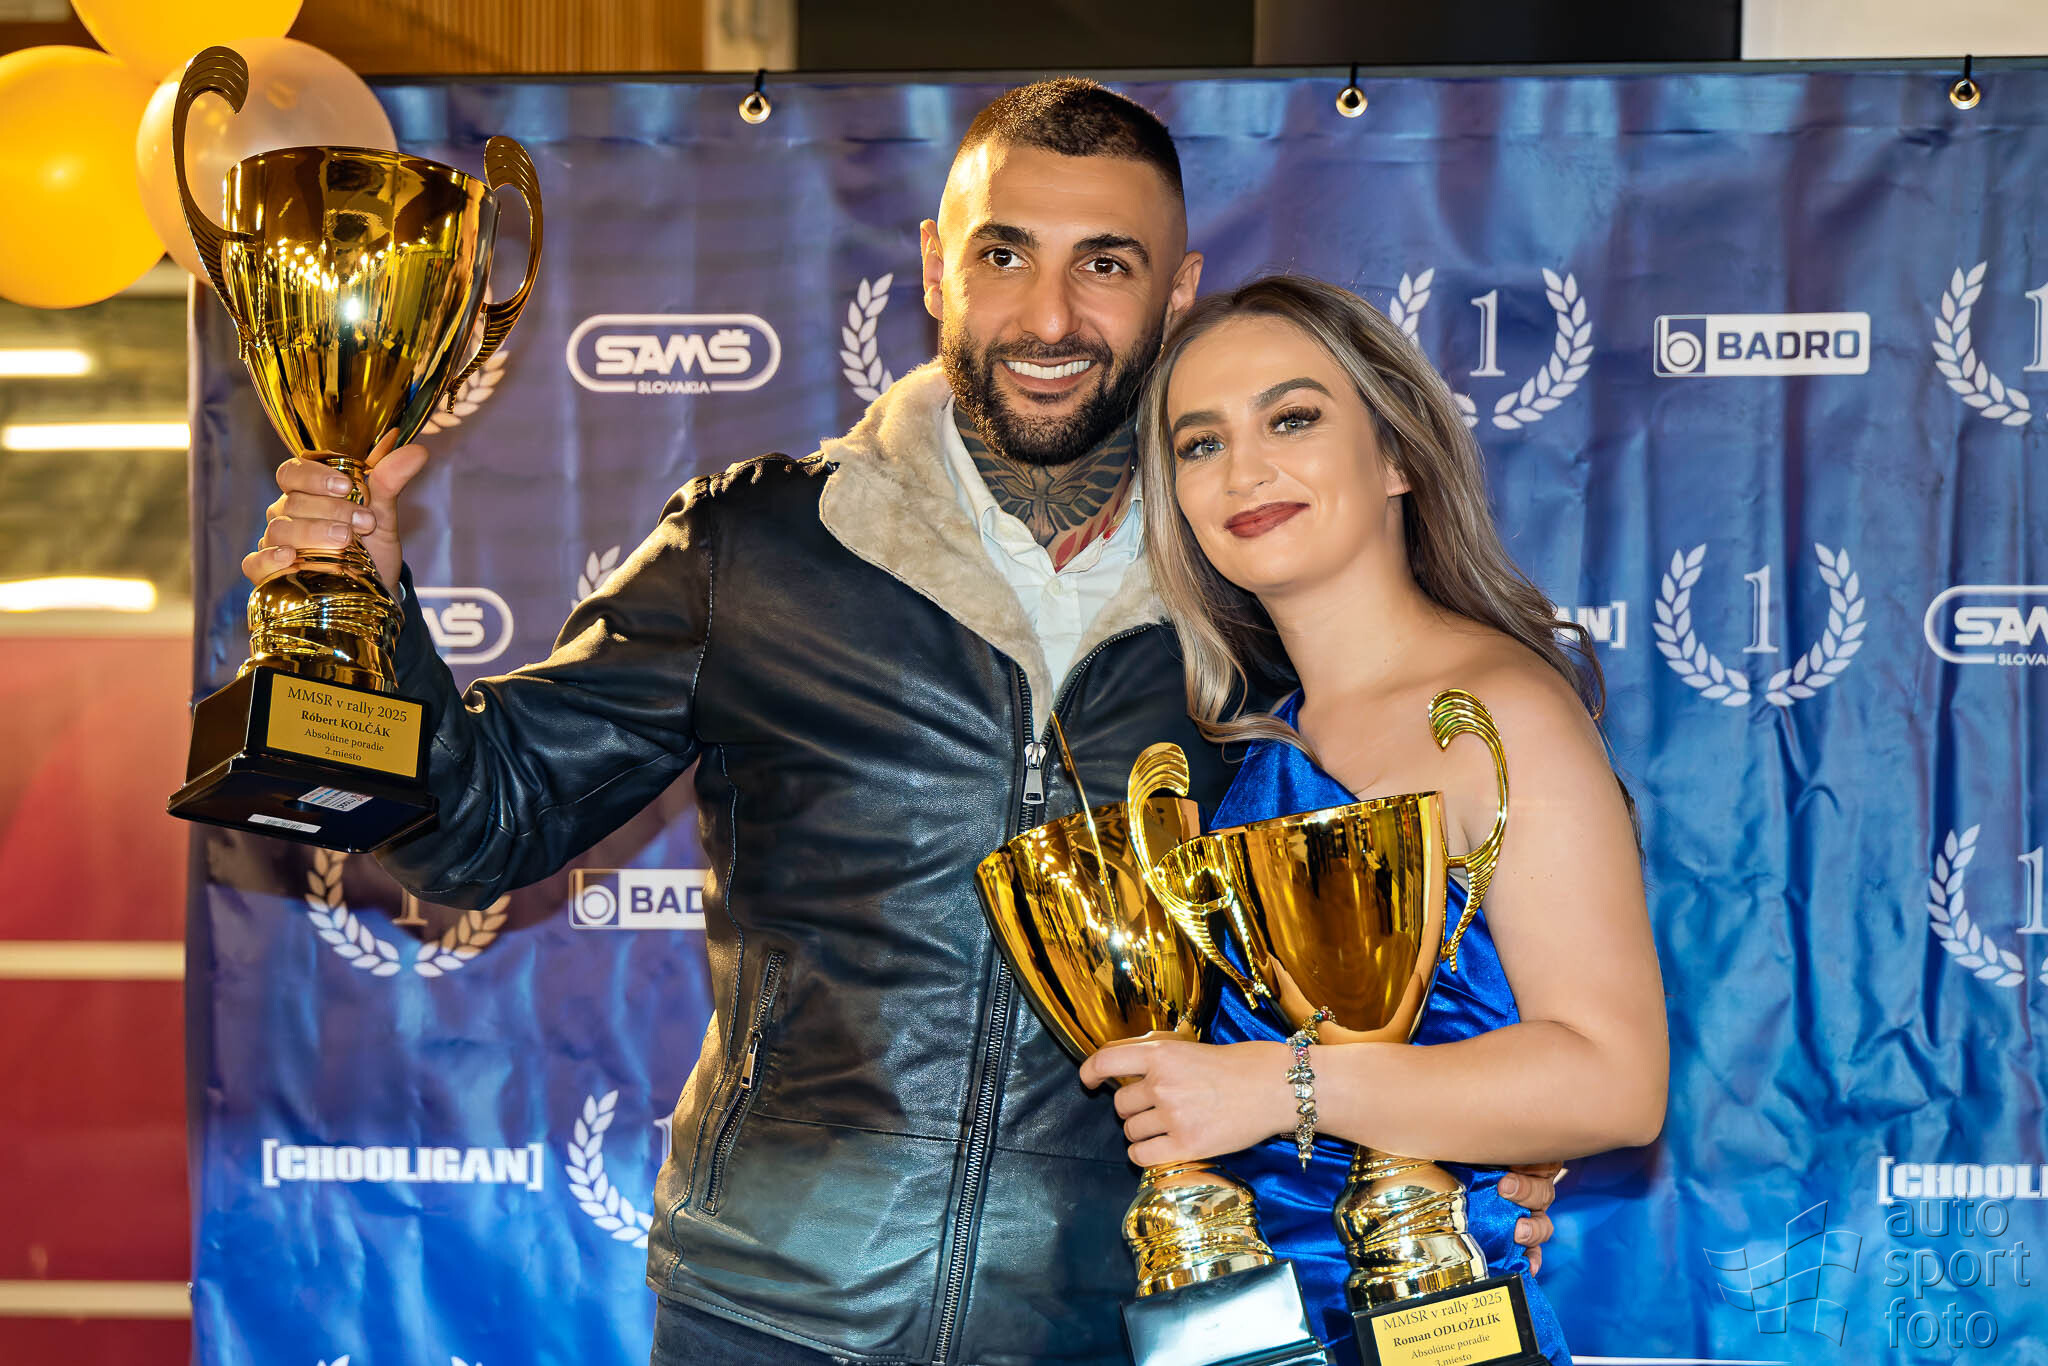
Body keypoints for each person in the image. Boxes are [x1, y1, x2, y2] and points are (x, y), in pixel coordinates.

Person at [243, 85, 1565, 1366]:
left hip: (1129, 1321)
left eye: (1106, 264)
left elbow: (1420, 920)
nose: (1050, 315)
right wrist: (359, 616)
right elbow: (477, 831)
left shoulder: (1260, 597)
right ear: (936, 267)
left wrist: (1464, 1134)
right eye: (1005, 254)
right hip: (769, 1314)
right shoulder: (755, 547)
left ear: (1177, 291)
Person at [1077, 275, 1668, 1365]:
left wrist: (1279, 1089)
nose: (1243, 470)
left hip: (1437, 1330)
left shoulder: (1498, 708)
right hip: (1248, 1334)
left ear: (1396, 455)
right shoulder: (1247, 739)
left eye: (1291, 419)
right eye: (1200, 443)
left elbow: (1614, 1083)